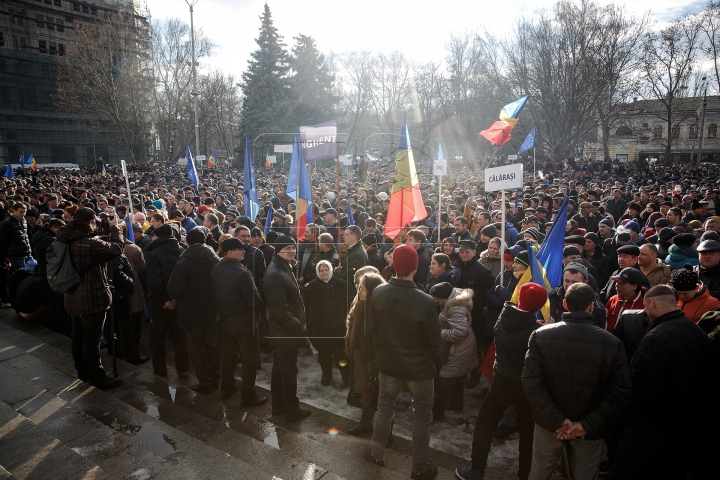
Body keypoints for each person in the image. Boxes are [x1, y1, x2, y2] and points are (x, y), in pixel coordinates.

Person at [522, 283, 630, 480]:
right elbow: (619, 392)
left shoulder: (541, 335)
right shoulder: (612, 343)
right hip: (588, 428)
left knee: (539, 472)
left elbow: (531, 383)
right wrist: (586, 425)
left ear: (564, 304)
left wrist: (557, 420)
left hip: (549, 424)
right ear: (591, 306)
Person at [610, 285, 711, 479]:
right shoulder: (696, 331)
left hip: (652, 428)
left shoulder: (656, 338)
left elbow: (641, 389)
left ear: (651, 303)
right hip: (686, 425)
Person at [455, 282, 547, 480]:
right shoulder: (538, 332)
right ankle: (525, 474)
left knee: (485, 424)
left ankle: (476, 470)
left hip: (501, 382)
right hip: (525, 387)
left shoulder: (502, 320)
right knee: (527, 433)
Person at [366, 244, 441, 480]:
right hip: (419, 369)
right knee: (422, 417)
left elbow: (373, 331)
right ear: (416, 266)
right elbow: (435, 342)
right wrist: (438, 366)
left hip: (388, 364)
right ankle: (419, 468)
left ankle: (375, 453)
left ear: (394, 265)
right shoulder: (425, 301)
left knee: (384, 409)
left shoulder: (378, 292)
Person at [55, 208, 124, 389]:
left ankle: (82, 371)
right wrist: (116, 229)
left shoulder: (64, 237)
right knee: (92, 339)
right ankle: (97, 377)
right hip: (91, 296)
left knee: (78, 335)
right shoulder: (88, 244)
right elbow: (116, 249)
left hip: (71, 293)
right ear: (88, 222)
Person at [210, 237, 267, 404]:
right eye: (239, 249)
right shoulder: (242, 272)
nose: (244, 251)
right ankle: (248, 397)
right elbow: (255, 301)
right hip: (245, 323)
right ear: (230, 252)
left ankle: (227, 389)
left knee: (229, 356)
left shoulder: (216, 269)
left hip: (226, 322)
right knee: (250, 360)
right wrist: (262, 308)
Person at [264, 234, 311, 423]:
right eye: (287, 248)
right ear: (278, 250)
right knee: (289, 373)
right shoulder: (276, 273)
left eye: (293, 247)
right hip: (285, 332)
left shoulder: (284, 266)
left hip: (284, 332)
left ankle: (278, 406)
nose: (291, 251)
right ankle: (292, 410)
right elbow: (279, 312)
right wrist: (299, 328)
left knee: (279, 370)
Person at [167, 228, 221, 394]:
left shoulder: (184, 262)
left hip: (191, 313)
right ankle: (215, 380)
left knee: (196, 350)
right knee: (213, 347)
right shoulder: (214, 258)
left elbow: (173, 289)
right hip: (211, 311)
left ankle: (205, 383)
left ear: (187, 243)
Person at [429, 282, 478, 422]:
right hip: (463, 347)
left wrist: (441, 333)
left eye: (436, 299)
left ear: (444, 297)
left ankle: (436, 414)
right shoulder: (454, 298)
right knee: (457, 377)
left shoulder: (454, 307)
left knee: (446, 379)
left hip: (457, 350)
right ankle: (457, 404)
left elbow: (460, 332)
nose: (435, 301)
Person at [145, 224, 189, 379]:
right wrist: (175, 298)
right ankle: (183, 369)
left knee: (157, 338)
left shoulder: (154, 253)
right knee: (179, 336)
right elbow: (185, 279)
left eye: (154, 236)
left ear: (159, 237)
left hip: (160, 303)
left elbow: (153, 281)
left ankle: (160, 371)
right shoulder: (182, 250)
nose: (152, 238)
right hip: (179, 302)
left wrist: (166, 300)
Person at [345, 271, 386, 436]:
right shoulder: (360, 304)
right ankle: (366, 422)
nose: (359, 291)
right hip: (359, 357)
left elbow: (379, 340)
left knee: (375, 393)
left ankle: (379, 430)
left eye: (362, 289)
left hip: (370, 360)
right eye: (359, 288)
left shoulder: (377, 310)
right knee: (366, 391)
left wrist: (374, 362)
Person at [302, 260, 350, 386]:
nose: (324, 272)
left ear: (331, 270)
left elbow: (350, 306)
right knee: (324, 355)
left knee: (341, 353)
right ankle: (326, 374)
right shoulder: (310, 288)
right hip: (320, 328)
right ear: (318, 272)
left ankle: (345, 375)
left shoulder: (343, 285)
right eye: (321, 270)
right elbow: (306, 309)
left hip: (339, 328)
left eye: (326, 269)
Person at [548, 262, 607, 328]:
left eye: (574, 282)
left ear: (585, 282)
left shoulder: (596, 307)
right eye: (567, 281)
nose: (570, 285)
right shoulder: (552, 297)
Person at [0, 202, 31, 307]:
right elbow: (3, 242)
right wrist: (5, 258)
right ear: (13, 210)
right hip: (15, 254)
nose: (23, 214)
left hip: (26, 253)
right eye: (20, 212)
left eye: (24, 212)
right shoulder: (7, 223)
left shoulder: (24, 221)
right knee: (20, 278)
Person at [605, 267, 647, 333]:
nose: (616, 285)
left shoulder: (644, 305)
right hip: (608, 341)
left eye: (621, 283)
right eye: (616, 282)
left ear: (634, 287)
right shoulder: (612, 300)